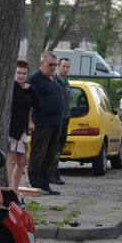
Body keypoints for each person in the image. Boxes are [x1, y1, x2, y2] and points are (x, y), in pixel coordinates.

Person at [27, 50, 63, 195]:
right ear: (42, 63)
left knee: (50, 155)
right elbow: (28, 102)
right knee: (38, 155)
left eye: (55, 65)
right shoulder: (35, 79)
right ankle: (34, 182)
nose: (53, 68)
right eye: (50, 65)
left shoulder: (52, 79)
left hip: (54, 124)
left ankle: (45, 183)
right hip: (42, 124)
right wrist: (30, 121)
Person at [7, 59, 38, 192]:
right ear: (14, 73)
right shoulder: (12, 88)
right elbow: (20, 101)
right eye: (19, 72)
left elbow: (37, 103)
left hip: (23, 131)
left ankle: (15, 188)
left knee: (23, 161)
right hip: (12, 130)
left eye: (24, 73)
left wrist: (30, 88)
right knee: (12, 160)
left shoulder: (26, 88)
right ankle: (10, 190)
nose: (21, 76)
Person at [50, 57, 72, 185]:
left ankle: (54, 172)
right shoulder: (54, 81)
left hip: (65, 119)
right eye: (63, 66)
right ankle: (52, 174)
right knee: (54, 148)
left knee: (60, 148)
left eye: (68, 67)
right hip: (56, 120)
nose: (65, 69)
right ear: (58, 66)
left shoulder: (66, 82)